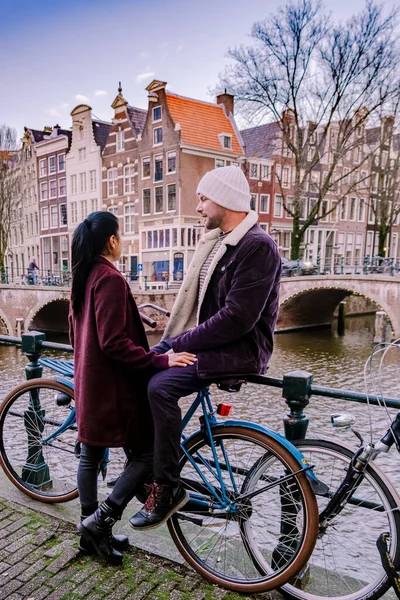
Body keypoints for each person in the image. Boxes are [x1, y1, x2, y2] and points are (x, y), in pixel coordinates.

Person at [130, 165, 282, 530]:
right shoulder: (223, 243)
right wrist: (170, 344)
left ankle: (166, 488)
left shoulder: (257, 246)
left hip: (241, 350)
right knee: (142, 374)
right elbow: (207, 307)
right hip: (221, 344)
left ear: (225, 200)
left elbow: (236, 319)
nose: (198, 207)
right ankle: (145, 467)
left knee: (160, 387)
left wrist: (174, 343)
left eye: (202, 198)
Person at [69, 211, 196, 565]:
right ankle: (100, 524)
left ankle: (91, 534)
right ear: (112, 240)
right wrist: (161, 361)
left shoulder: (83, 276)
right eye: (121, 235)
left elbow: (77, 333)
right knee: (146, 455)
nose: (122, 241)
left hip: (89, 382)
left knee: (90, 455)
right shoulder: (108, 278)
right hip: (113, 389)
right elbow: (112, 342)